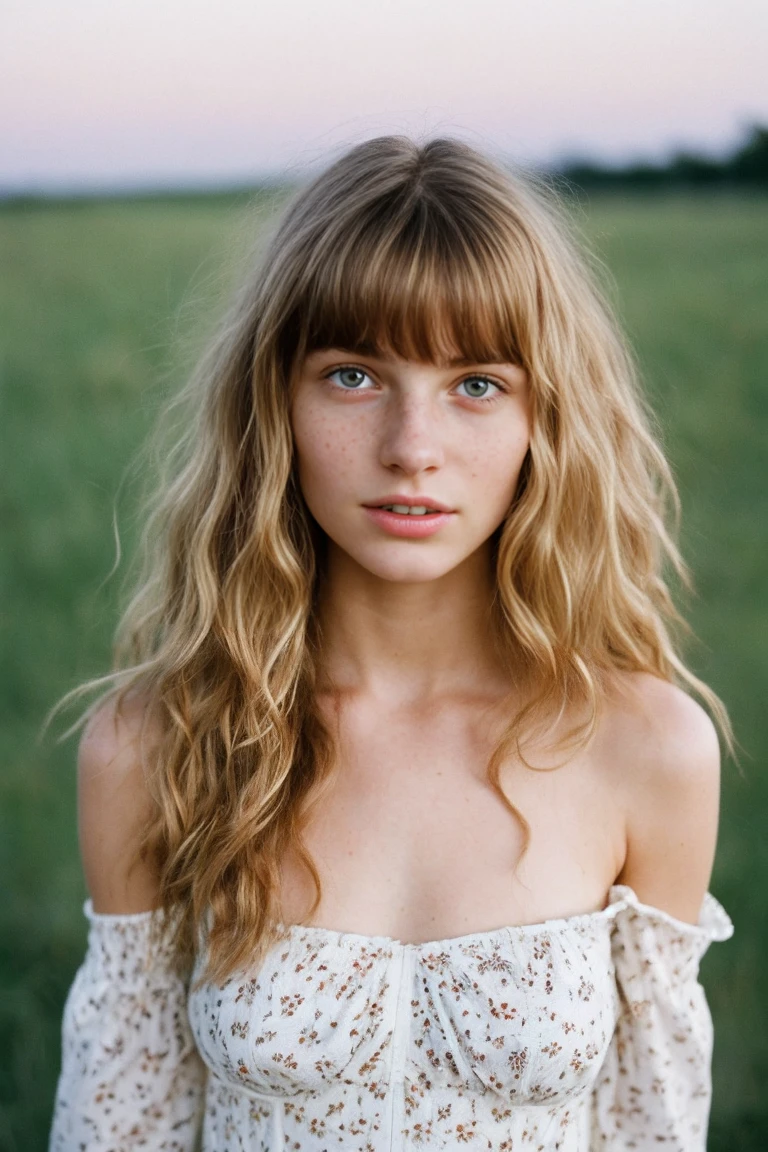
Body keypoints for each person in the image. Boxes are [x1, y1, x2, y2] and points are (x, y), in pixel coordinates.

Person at [48, 135, 734, 1152]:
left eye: (477, 384)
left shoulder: (647, 750)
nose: (413, 447)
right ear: (274, 401)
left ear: (548, 420)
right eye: (355, 375)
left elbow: (653, 1128)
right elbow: (122, 1128)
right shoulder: (157, 745)